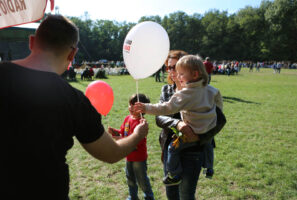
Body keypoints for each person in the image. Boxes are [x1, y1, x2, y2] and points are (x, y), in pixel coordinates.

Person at [0, 14, 149, 200]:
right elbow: (111, 153)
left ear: (31, 42)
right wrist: (137, 135)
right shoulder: (73, 100)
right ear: (72, 54)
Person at [134, 55, 223, 186]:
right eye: (170, 68)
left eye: (181, 73)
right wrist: (211, 116)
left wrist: (146, 107)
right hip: (207, 130)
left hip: (189, 134)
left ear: (195, 74)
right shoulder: (211, 90)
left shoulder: (185, 94)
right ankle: (208, 166)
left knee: (172, 148)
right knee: (209, 144)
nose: (176, 74)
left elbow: (165, 108)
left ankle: (174, 174)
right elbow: (219, 105)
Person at [108, 94, 155, 200]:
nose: (131, 107)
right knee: (130, 178)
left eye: (134, 105)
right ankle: (133, 196)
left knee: (142, 180)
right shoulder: (127, 119)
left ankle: (149, 196)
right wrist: (116, 132)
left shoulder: (142, 124)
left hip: (138, 158)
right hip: (128, 156)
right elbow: (123, 133)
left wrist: (120, 139)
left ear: (142, 108)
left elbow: (136, 141)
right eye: (130, 105)